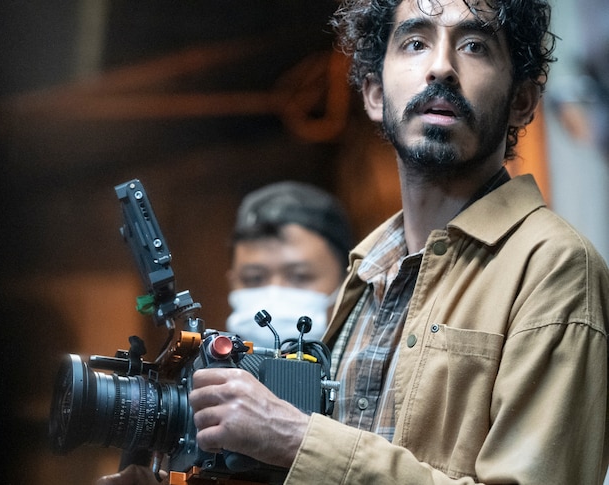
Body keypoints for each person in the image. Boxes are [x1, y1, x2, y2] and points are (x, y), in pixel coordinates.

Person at [97, 1, 609, 484]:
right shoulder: (367, 275)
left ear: (522, 101)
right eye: (414, 42)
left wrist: (298, 441)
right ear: (374, 95)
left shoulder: (554, 267)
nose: (441, 68)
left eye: (474, 45)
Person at [224, 181, 353, 347]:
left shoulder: (373, 368)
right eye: (254, 278)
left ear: (347, 282)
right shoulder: (206, 369)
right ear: (232, 283)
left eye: (300, 276)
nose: (275, 292)